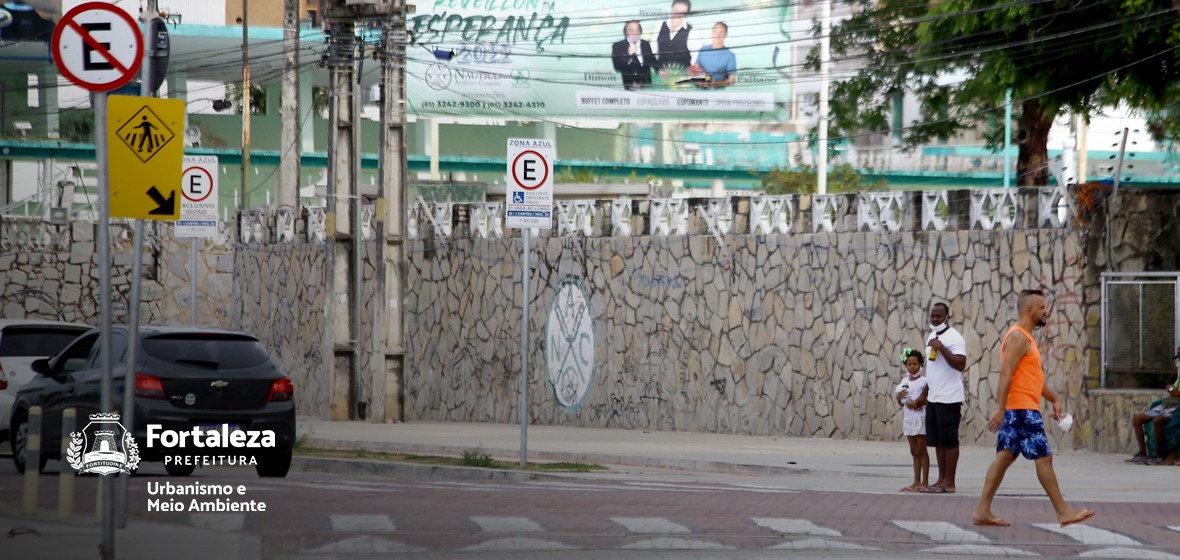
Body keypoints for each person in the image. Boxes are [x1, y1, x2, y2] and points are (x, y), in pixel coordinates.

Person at [972, 289, 1095, 528]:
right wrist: (1000, 407)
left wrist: (1053, 398)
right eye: (1042, 307)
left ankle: (982, 510)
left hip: (1020, 408)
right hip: (1022, 411)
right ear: (1029, 310)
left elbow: (1033, 378)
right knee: (1044, 458)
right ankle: (1063, 511)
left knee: (1005, 456)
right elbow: (1006, 374)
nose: (1045, 311)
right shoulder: (1018, 338)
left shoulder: (1026, 338)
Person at [919, 302, 967, 494]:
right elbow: (932, 368)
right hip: (934, 397)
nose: (935, 319)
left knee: (949, 441)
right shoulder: (932, 336)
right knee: (937, 441)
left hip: (949, 398)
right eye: (932, 316)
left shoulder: (954, 337)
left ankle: (950, 482)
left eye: (939, 316)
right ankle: (941, 479)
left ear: (947, 317)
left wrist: (942, 348)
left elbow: (961, 364)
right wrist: (925, 393)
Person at [1127, 355, 1180, 465]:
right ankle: (1142, 453)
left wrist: (1171, 389)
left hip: (1176, 406)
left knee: (1158, 421)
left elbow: (1174, 391)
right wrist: (1171, 389)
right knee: (1137, 419)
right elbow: (1171, 389)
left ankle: (1158, 455)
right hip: (1169, 403)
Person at [894, 348, 930, 492]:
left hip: (920, 418)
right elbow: (900, 398)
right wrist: (900, 398)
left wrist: (916, 403)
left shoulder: (924, 381)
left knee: (922, 450)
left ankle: (925, 482)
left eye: (915, 364)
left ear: (921, 365)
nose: (912, 366)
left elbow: (927, 399)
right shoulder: (904, 382)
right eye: (909, 364)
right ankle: (916, 481)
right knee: (914, 451)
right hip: (908, 419)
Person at [653, 0, 701, 74]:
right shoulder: (660, 26)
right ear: (671, 9)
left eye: (682, 13)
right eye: (675, 11)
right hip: (660, 78)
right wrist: (659, 70)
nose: (678, 15)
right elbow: (653, 53)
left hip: (682, 80)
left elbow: (696, 59)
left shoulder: (693, 31)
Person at [611, 20, 655, 90]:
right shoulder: (618, 46)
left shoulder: (645, 44)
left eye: (637, 29)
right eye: (631, 30)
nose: (635, 33)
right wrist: (629, 55)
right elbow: (617, 67)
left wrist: (660, 70)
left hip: (647, 85)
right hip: (631, 86)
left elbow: (652, 60)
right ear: (626, 32)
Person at [694, 22, 736, 88]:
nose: (717, 35)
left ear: (725, 35)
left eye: (721, 32)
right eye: (715, 31)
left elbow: (732, 80)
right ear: (712, 33)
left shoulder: (729, 56)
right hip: (697, 91)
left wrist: (717, 83)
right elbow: (695, 68)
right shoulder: (703, 49)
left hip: (716, 94)